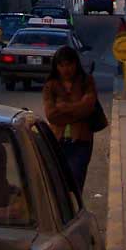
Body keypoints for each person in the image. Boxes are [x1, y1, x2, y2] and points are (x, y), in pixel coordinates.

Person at [43, 45, 100, 191]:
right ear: (56, 67)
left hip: (81, 139)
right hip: (58, 140)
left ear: (75, 64)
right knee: (58, 183)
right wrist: (77, 108)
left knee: (76, 180)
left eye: (69, 65)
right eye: (61, 65)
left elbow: (88, 107)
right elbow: (51, 115)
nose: (66, 69)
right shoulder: (51, 85)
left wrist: (63, 108)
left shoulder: (86, 81)